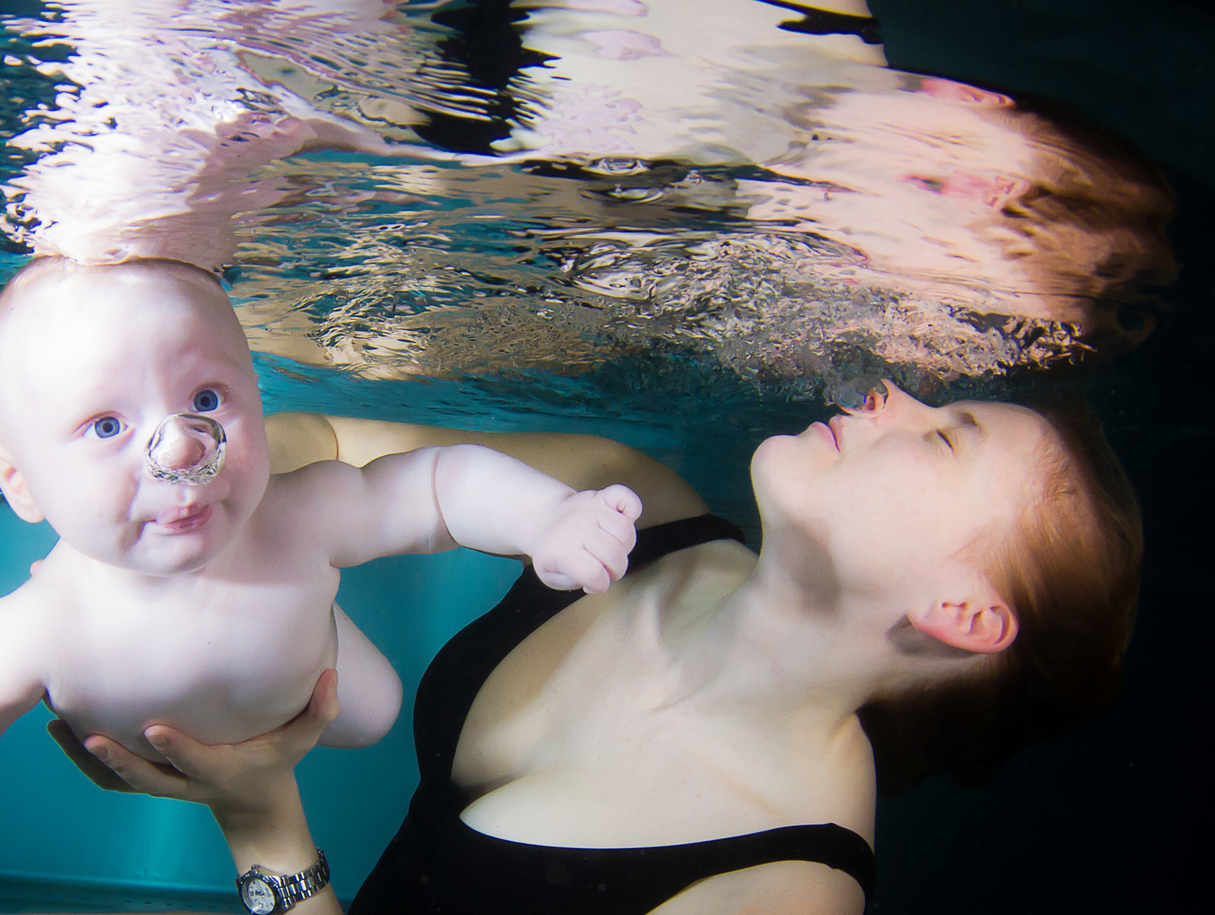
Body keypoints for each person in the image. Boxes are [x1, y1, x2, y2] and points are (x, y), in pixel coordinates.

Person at [56, 383, 1141, 914]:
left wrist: (259, 818)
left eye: (946, 431)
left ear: (968, 616)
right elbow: (329, 445)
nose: (892, 392)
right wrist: (194, 512)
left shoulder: (777, 898)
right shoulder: (639, 499)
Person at [0, 256, 641, 797]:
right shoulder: (29, 629)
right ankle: (304, 602)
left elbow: (438, 484)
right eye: (105, 427)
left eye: (205, 400)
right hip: (169, 755)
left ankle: (308, 609)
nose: (183, 449)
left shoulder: (291, 517)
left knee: (376, 715)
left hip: (317, 681)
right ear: (18, 482)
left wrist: (548, 517)